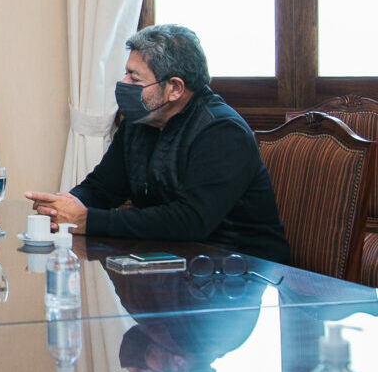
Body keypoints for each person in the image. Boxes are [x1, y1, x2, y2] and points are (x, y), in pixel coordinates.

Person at [26, 24, 290, 263]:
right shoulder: (140, 121)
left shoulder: (222, 132)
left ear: (174, 88)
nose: (123, 83)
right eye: (125, 74)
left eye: (134, 78)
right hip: (173, 263)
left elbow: (190, 221)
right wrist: (64, 206)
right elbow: (103, 187)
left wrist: (88, 220)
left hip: (241, 272)